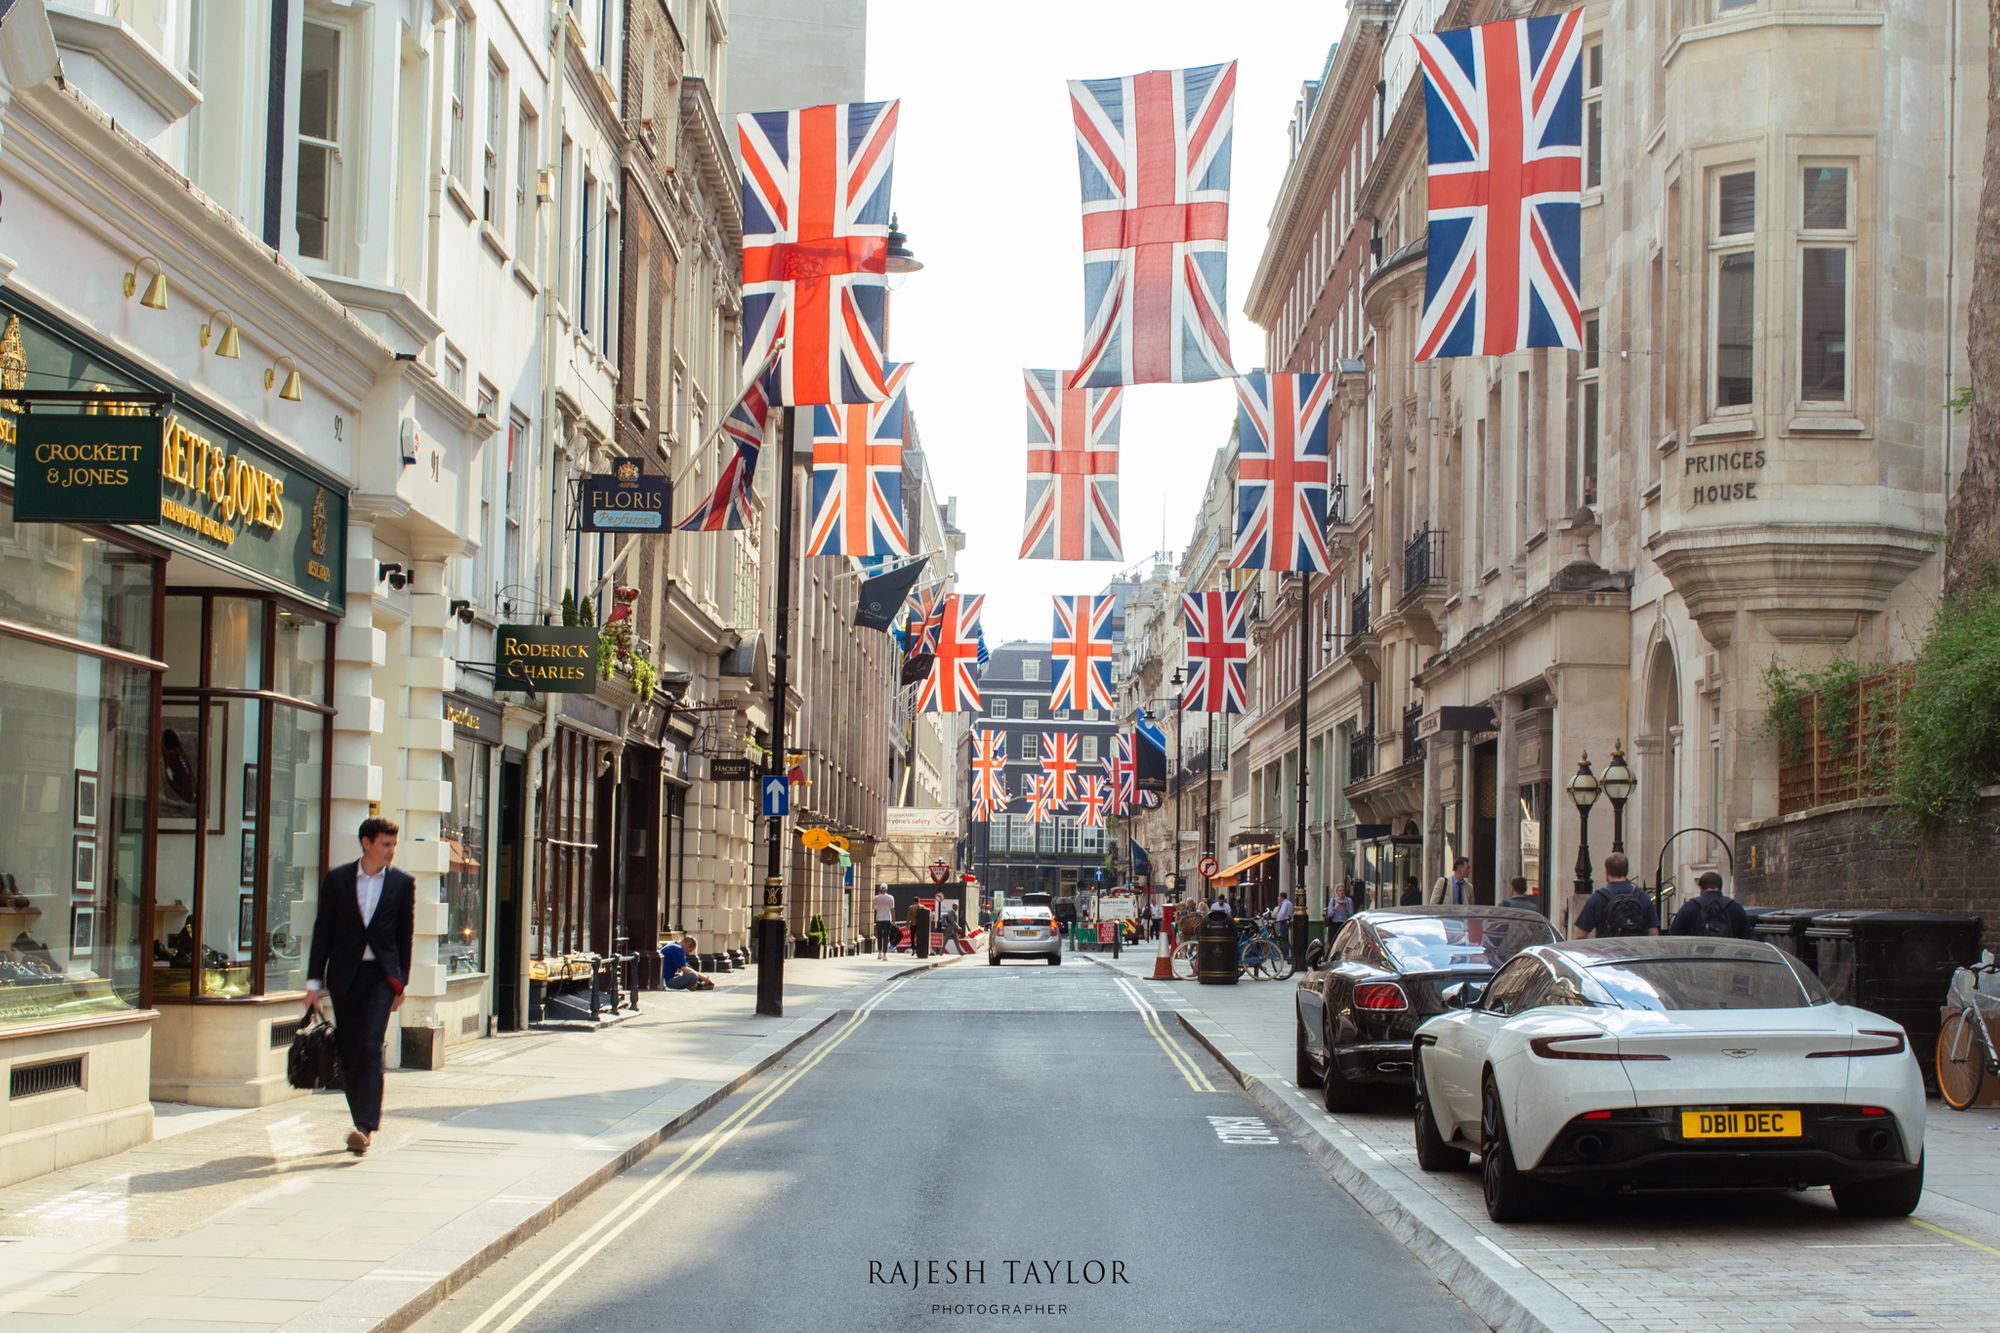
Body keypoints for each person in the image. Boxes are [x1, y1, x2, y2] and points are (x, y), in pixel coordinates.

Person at [306, 817, 415, 1157]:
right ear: (366, 843)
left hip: (381, 978)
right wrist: (314, 981)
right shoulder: (337, 880)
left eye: (394, 845)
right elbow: (323, 930)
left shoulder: (401, 884)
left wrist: (402, 982)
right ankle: (359, 1123)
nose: (391, 851)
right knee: (350, 1050)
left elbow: (404, 936)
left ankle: (366, 1126)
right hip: (345, 977)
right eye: (385, 844)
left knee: (369, 1046)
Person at [1574, 853, 1661, 939]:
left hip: (1606, 951)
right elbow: (1653, 933)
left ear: (1606, 871)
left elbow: (1580, 935)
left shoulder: (1597, 898)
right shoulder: (1643, 896)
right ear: (1627, 871)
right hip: (1635, 951)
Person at [1669, 870, 1754, 939]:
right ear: (1720, 888)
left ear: (1701, 888)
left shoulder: (1690, 906)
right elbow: (1747, 937)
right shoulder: (1734, 907)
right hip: (1726, 958)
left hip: (1697, 958)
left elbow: (1674, 934)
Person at [872, 884, 897, 958]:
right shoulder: (890, 897)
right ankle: (885, 954)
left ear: (880, 889)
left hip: (879, 919)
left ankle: (879, 953)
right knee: (886, 936)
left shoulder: (876, 898)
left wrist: (879, 908)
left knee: (879, 936)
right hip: (887, 919)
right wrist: (894, 920)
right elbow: (892, 910)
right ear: (886, 889)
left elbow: (874, 907)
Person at [1273, 890, 1296, 960]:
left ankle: (1284, 955)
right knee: (1285, 939)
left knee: (1283, 939)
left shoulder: (1285, 904)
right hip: (1287, 921)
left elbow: (1281, 914)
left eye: (1279, 897)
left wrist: (1277, 919)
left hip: (1284, 922)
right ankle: (1285, 954)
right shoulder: (1289, 903)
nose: (1278, 898)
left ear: (1281, 897)